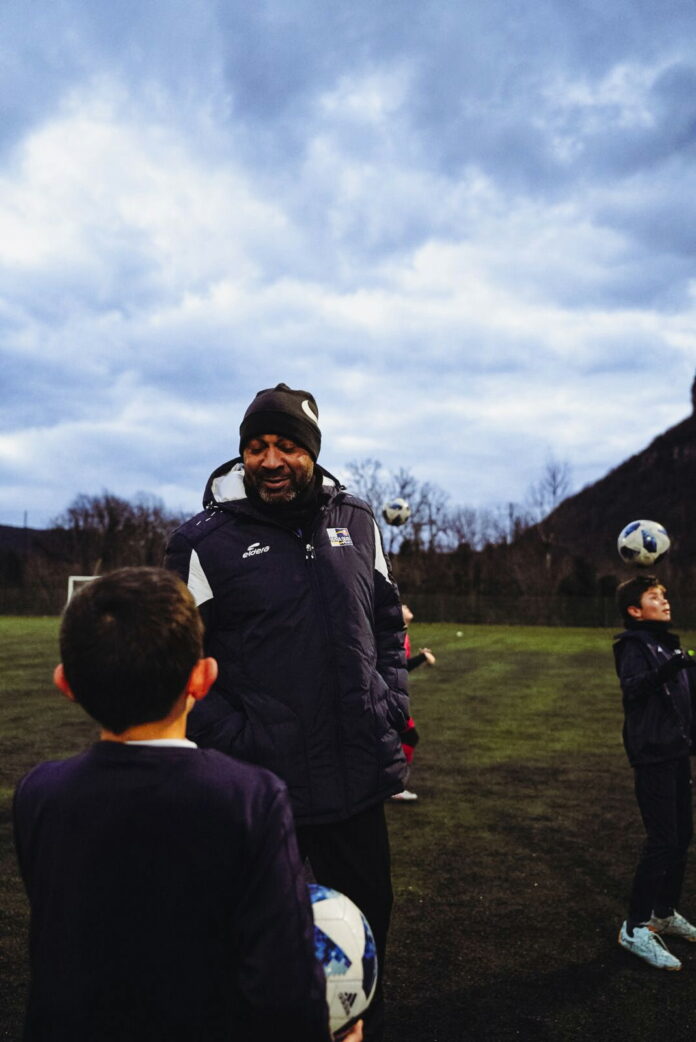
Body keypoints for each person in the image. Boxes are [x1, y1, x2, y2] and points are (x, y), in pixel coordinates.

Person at [165, 383, 410, 1041]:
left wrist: (388, 704)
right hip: (263, 791)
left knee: (362, 946)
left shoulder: (357, 520)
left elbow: (388, 622)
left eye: (286, 445)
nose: (270, 459)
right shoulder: (202, 542)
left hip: (356, 784)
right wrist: (234, 740)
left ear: (312, 453)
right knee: (262, 957)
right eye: (255, 446)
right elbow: (178, 661)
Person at [12, 567, 349, 1042]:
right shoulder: (251, 798)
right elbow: (283, 984)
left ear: (64, 683)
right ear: (203, 679)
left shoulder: (38, 792)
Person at [613, 574, 696, 971]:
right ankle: (635, 927)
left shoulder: (667, 645)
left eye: (664, 595)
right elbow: (634, 688)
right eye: (653, 597)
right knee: (663, 839)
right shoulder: (634, 645)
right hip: (653, 755)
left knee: (682, 836)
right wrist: (674, 665)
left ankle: (663, 912)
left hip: (678, 753)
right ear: (634, 610)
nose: (664, 602)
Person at [391, 604, 436, 803]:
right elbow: (400, 667)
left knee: (401, 739)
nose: (407, 607)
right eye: (403, 606)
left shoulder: (402, 633)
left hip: (395, 696)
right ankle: (394, 786)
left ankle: (391, 783)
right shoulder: (396, 634)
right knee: (409, 738)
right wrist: (422, 658)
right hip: (390, 697)